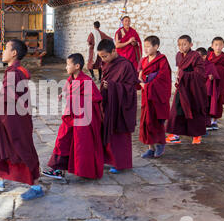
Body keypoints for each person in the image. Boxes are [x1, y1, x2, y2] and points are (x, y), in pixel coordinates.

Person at [0, 39, 43, 200]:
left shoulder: (14, 72)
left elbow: (12, 96)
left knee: (22, 147)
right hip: (9, 117)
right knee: (2, 146)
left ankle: (36, 186)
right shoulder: (15, 71)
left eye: (5, 49)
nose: (2, 51)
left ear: (14, 53)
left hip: (14, 119)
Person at [43, 53, 104, 180]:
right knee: (63, 140)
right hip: (71, 117)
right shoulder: (72, 78)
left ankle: (77, 170)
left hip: (82, 119)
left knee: (78, 144)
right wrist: (63, 94)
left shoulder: (86, 81)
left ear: (77, 66)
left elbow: (96, 99)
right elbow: (68, 89)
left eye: (68, 64)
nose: (66, 67)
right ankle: (59, 169)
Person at [98, 39, 138, 173]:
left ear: (114, 51)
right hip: (109, 102)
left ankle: (120, 163)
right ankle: (109, 160)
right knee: (108, 132)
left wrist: (113, 87)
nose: (103, 59)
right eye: (101, 57)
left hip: (122, 105)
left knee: (120, 136)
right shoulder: (107, 65)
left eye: (105, 56)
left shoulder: (125, 65)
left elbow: (131, 88)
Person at [166, 35, 207, 144]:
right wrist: (179, 76)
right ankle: (175, 135)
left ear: (191, 45)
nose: (181, 47)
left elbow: (201, 73)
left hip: (194, 89)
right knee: (177, 109)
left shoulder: (196, 56)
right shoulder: (178, 55)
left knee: (194, 109)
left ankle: (197, 135)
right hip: (182, 87)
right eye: (179, 44)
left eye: (184, 44)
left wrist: (185, 75)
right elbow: (180, 68)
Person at [138, 36, 172, 158]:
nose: (145, 49)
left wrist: (146, 85)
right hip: (146, 96)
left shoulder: (162, 60)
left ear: (156, 47)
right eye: (144, 46)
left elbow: (163, 79)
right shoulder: (143, 60)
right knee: (146, 121)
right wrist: (140, 79)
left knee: (156, 121)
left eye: (148, 46)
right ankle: (150, 148)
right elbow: (140, 74)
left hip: (157, 96)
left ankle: (160, 144)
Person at [207, 37, 224, 130]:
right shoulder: (208, 56)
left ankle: (214, 121)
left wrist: (218, 70)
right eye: (216, 45)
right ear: (212, 46)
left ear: (223, 45)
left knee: (218, 101)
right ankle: (208, 120)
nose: (218, 47)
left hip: (220, 84)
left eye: (220, 45)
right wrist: (209, 74)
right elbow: (203, 67)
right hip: (209, 83)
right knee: (208, 101)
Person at [196, 47, 221, 130]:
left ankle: (206, 124)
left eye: (199, 57)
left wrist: (212, 77)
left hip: (206, 90)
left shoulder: (210, 65)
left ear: (204, 56)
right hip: (196, 89)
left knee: (205, 108)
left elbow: (217, 78)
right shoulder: (194, 65)